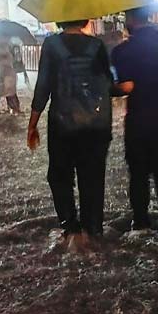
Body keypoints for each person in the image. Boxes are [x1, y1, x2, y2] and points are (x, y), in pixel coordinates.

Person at [27, 19, 113, 240]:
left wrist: (32, 124)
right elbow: (109, 84)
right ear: (85, 19)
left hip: (62, 125)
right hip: (96, 126)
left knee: (59, 176)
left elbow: (43, 86)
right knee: (92, 178)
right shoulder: (97, 46)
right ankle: (93, 230)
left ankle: (70, 228)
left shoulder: (52, 45)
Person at [111, 6, 158, 242]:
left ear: (130, 20)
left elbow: (121, 87)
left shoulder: (121, 51)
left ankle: (141, 224)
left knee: (138, 176)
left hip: (138, 125)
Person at [0, 35, 21, 114]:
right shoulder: (12, 44)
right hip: (8, 71)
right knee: (10, 90)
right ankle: (14, 108)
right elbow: (17, 59)